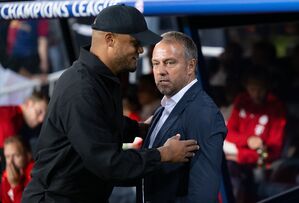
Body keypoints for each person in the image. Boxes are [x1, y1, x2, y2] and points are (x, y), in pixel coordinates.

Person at [21, 5, 199, 203]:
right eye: (135, 42)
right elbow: (108, 163)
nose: (140, 49)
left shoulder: (100, 78)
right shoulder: (80, 88)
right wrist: (163, 154)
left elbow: (101, 122)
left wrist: (139, 128)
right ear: (110, 40)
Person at [141, 31, 227, 202]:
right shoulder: (165, 106)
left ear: (190, 66)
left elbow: (203, 194)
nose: (160, 71)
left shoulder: (203, 113)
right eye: (155, 64)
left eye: (169, 63)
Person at [224, 66, 286, 202]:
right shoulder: (242, 101)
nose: (256, 94)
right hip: (234, 159)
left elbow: (274, 151)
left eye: (260, 89)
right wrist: (247, 140)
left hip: (258, 164)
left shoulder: (276, 108)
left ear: (267, 87)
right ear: (246, 87)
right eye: (252, 89)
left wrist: (240, 156)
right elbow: (228, 133)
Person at [0, 91, 48, 175]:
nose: (41, 120)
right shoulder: (9, 120)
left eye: (44, 116)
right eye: (39, 112)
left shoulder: (19, 121)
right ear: (29, 103)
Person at [1, 136, 34, 203]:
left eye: (16, 155)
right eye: (7, 156)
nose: (10, 161)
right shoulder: (6, 176)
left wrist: (15, 185)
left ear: (28, 155)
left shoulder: (34, 174)